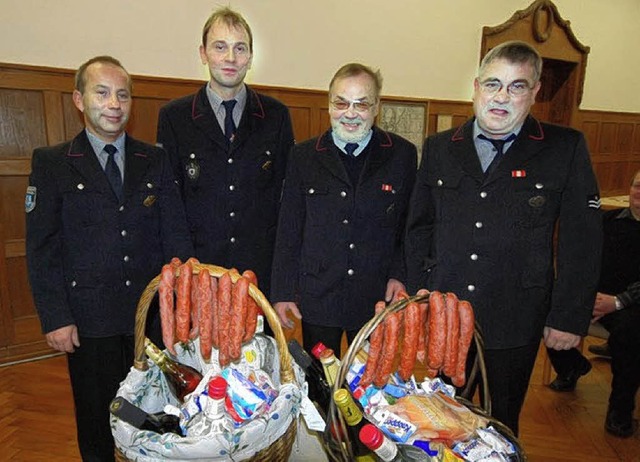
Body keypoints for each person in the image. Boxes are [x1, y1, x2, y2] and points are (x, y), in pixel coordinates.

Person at [405, 41, 602, 435]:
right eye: (493, 84)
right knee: (443, 418)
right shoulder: (440, 147)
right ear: (475, 87)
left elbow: (583, 240)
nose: (501, 97)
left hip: (516, 316)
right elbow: (419, 227)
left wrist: (567, 317)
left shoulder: (564, 148)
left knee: (503, 422)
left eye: (517, 86)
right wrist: (422, 293)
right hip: (448, 313)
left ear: (535, 92)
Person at [26, 56, 193, 461]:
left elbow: (176, 238)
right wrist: (56, 316)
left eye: (122, 94)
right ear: (79, 100)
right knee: (97, 415)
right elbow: (42, 247)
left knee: (158, 411)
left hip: (150, 318)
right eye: (102, 92)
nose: (114, 103)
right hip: (89, 320)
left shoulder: (153, 158)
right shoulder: (52, 163)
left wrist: (182, 309)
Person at [271, 63, 417, 356]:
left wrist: (400, 274)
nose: (350, 113)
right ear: (329, 105)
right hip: (319, 296)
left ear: (376, 107)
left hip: (375, 297)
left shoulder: (402, 155)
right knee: (321, 384)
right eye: (341, 103)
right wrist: (283, 292)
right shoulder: (304, 156)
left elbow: (409, 225)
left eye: (361, 104)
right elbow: (289, 227)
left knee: (370, 388)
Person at [157, 7, 294, 296]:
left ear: (251, 57)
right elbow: (170, 205)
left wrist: (283, 281)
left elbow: (287, 202)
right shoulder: (174, 118)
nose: (230, 58)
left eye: (239, 48)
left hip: (259, 276)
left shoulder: (276, 116)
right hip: (199, 275)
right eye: (220, 47)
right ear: (203, 53)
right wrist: (185, 273)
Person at [547, 169, 640, 437]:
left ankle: (620, 407)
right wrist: (583, 296)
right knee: (549, 309)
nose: (639, 194)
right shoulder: (607, 221)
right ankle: (571, 366)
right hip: (597, 296)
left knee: (629, 334)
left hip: (632, 305)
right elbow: (583, 260)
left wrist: (618, 302)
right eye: (636, 187)